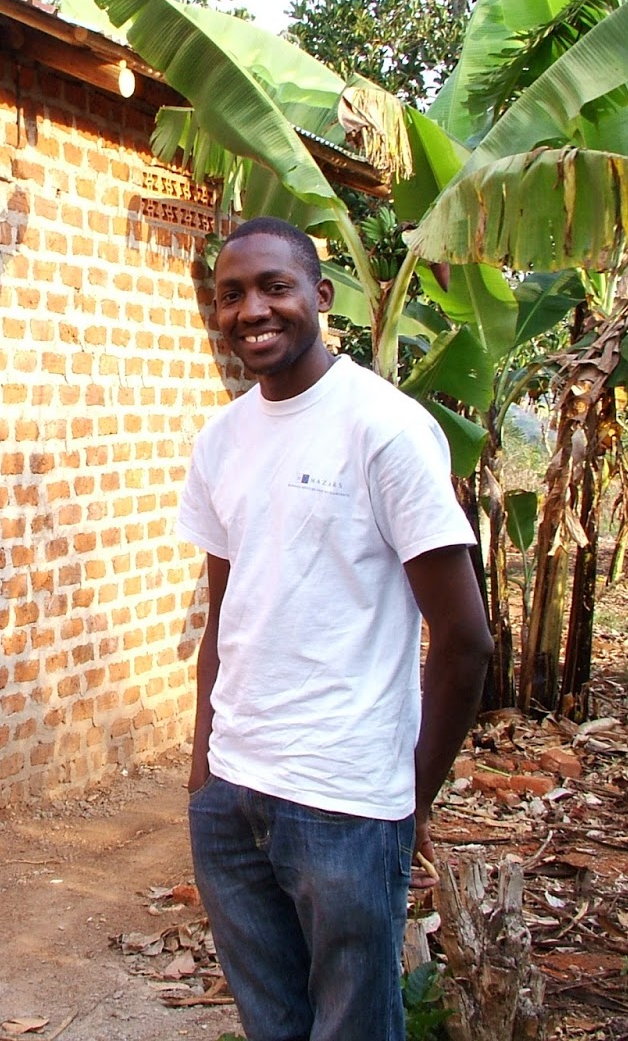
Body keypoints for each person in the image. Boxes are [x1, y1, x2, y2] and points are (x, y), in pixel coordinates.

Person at [177, 216, 492, 1041]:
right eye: (232, 294)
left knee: (352, 1028)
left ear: (320, 297)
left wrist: (408, 799)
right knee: (271, 1024)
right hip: (234, 795)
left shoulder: (383, 429)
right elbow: (225, 614)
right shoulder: (221, 440)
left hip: (346, 802)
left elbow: (466, 640)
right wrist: (203, 763)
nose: (253, 310)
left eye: (274, 287)